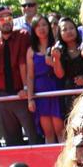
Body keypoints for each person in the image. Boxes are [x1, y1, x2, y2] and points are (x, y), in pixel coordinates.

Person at [0, 4, 40, 146]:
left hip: (22, 94)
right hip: (2, 96)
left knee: (33, 134)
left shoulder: (23, 35)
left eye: (9, 17)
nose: (7, 21)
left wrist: (27, 90)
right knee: (11, 139)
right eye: (2, 19)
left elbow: (26, 64)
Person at [26, 14, 65, 144]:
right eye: (38, 26)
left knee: (60, 131)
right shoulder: (31, 51)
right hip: (40, 92)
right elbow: (30, 76)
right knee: (48, 132)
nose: (41, 28)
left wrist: (53, 62)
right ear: (33, 30)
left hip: (54, 88)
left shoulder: (56, 46)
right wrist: (30, 98)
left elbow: (60, 74)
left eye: (44, 25)